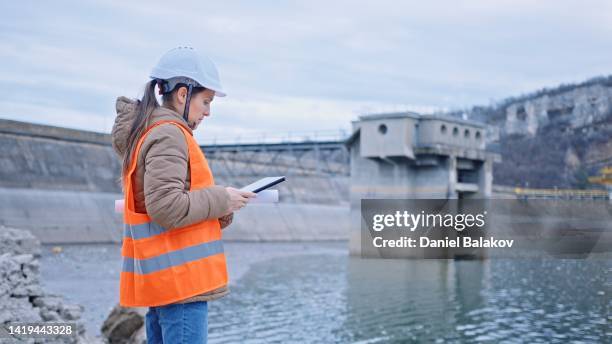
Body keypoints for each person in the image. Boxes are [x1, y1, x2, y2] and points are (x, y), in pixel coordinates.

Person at [111, 46, 255, 343]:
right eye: (206, 101)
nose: (208, 111)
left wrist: (221, 206)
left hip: (165, 285)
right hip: (183, 288)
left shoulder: (151, 132)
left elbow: (159, 203)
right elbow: (166, 207)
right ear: (182, 94)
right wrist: (222, 199)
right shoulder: (169, 134)